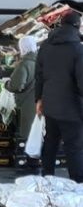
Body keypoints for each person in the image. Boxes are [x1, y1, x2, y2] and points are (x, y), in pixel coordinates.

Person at [35, 12, 83, 182]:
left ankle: (47, 178)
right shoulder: (78, 49)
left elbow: (39, 75)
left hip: (50, 104)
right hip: (71, 109)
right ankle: (78, 185)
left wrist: (38, 99)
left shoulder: (46, 45)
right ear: (77, 26)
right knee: (74, 148)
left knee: (50, 142)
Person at [6, 35, 38, 140]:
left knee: (28, 135)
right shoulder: (43, 61)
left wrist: (7, 85)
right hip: (42, 101)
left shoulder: (24, 64)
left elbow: (17, 86)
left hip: (27, 103)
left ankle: (27, 155)